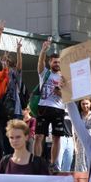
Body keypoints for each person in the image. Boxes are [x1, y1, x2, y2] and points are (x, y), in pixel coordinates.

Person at [0, 39, 24, 157]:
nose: (4, 62)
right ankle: (7, 160)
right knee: (4, 137)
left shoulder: (13, 73)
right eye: (2, 60)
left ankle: (16, 160)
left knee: (16, 137)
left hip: (14, 110)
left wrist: (18, 50)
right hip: (1, 111)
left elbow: (19, 67)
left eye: (7, 61)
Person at [34, 38, 65, 169]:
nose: (57, 64)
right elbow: (40, 62)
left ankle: (53, 164)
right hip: (43, 107)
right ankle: (37, 162)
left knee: (57, 137)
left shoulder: (65, 77)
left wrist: (61, 92)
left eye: (59, 62)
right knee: (39, 136)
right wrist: (43, 50)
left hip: (58, 108)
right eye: (54, 61)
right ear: (50, 62)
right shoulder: (45, 73)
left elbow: (68, 95)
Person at [73, 98, 91, 172]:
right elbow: (75, 130)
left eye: (87, 104)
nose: (85, 106)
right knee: (81, 162)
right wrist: (74, 144)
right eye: (83, 104)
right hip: (81, 141)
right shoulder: (78, 115)